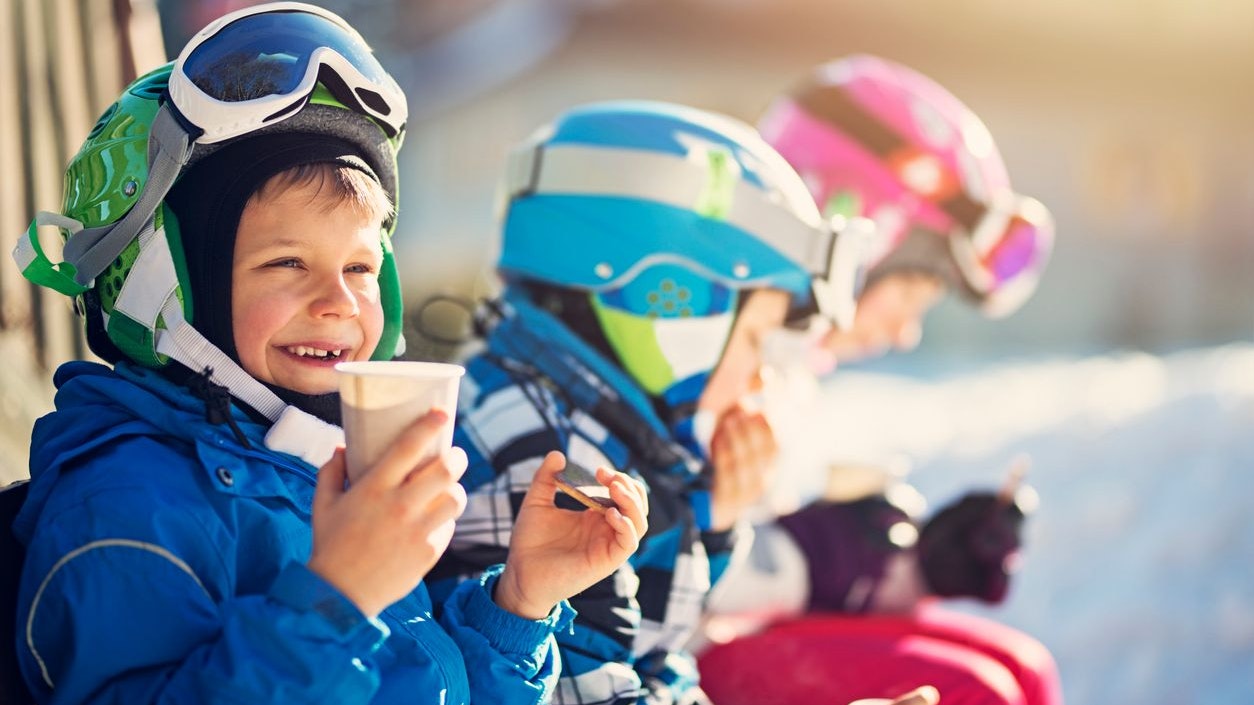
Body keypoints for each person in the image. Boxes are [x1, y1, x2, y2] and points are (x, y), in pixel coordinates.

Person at [8, 4, 646, 704]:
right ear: (167, 282)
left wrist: (521, 603)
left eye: (363, 268)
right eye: (286, 262)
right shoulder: (128, 509)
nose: (338, 301)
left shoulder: (307, 463)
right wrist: (337, 597)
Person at [426, 100, 873, 704]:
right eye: (753, 340)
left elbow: (640, 647)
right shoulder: (551, 465)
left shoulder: (566, 418)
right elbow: (600, 686)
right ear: (671, 305)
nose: (760, 374)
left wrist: (708, 527)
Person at [696, 55, 1062, 705]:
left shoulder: (782, 369)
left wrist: (914, 563)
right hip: (660, 662)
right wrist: (818, 555)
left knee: (1023, 669)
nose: (905, 333)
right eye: (913, 294)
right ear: (859, 236)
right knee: (975, 692)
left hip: (712, 643)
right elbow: (663, 572)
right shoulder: (712, 356)